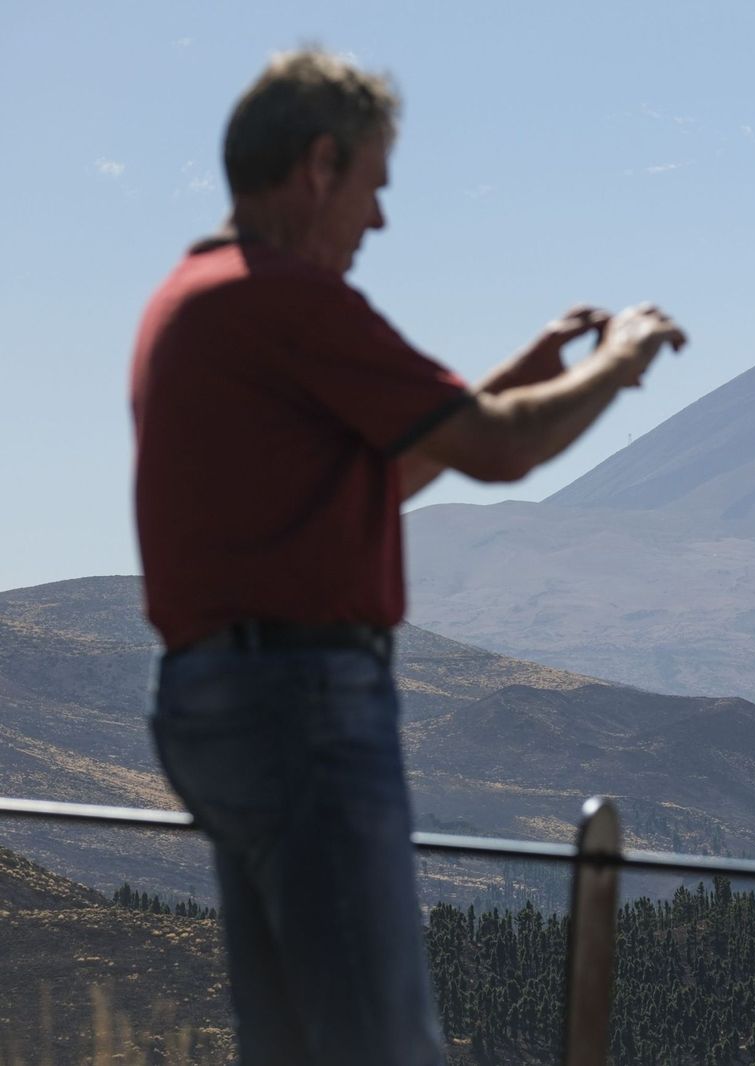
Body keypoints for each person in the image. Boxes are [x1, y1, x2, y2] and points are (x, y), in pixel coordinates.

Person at [129, 49, 686, 1065]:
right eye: (374, 188)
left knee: (293, 1041)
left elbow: (369, 483)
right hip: (302, 704)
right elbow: (500, 447)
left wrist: (518, 373)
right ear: (320, 165)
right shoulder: (284, 299)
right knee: (381, 1042)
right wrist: (622, 359)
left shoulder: (189, 302)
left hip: (218, 701)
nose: (378, 222)